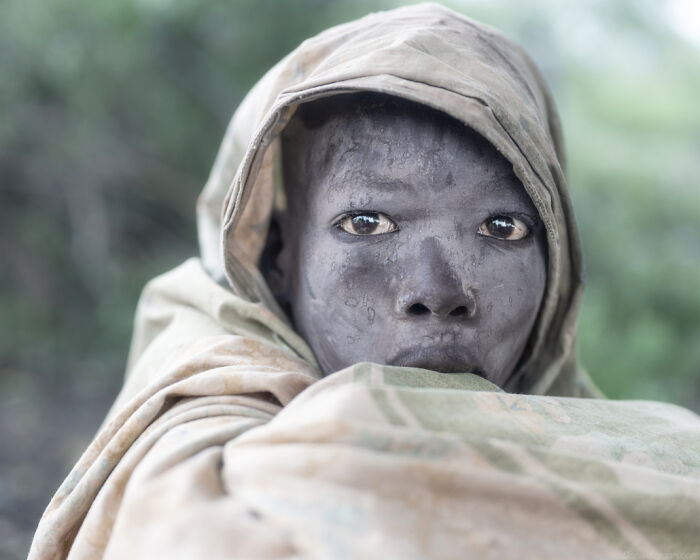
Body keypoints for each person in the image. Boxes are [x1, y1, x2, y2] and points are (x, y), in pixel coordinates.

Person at [30, 4, 700, 559]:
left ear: (557, 268)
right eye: (369, 221)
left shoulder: (641, 454)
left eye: (502, 229)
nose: (438, 291)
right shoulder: (195, 446)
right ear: (279, 257)